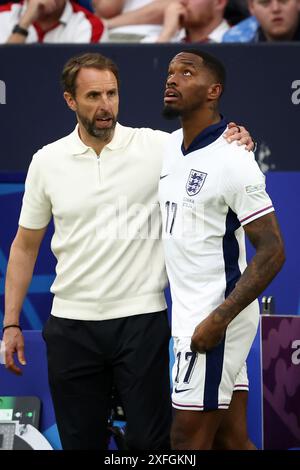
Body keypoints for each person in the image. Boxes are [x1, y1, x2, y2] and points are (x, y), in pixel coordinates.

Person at [2, 52, 254, 450]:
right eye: (93, 96)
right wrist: (11, 323)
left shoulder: (160, 148)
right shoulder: (46, 161)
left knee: (150, 447)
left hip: (141, 324)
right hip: (71, 327)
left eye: (112, 94)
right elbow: (24, 246)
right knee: (80, 442)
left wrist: (238, 135)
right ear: (70, 100)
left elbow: (214, 144)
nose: (106, 106)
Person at [159, 49, 285, 449]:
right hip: (192, 317)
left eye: (186, 72)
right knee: (232, 439)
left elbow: (273, 251)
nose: (172, 79)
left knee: (185, 440)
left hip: (212, 321)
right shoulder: (166, 147)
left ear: (214, 91)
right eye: (170, 72)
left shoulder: (234, 158)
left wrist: (218, 320)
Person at [0, 0, 107, 44]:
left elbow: (79, 84)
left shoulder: (90, 25)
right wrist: (24, 23)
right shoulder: (3, 15)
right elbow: (5, 73)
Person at [93, 0, 172, 42]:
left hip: (152, 37)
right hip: (111, 36)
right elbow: (106, 9)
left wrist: (107, 23)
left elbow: (173, 7)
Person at [224, 0, 300, 42]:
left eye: (283, 1)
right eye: (265, 2)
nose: (275, 8)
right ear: (251, 7)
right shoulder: (234, 42)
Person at [157, 0, 230, 43]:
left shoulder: (237, 40)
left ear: (220, 2)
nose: (183, 1)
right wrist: (167, 34)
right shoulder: (168, 39)